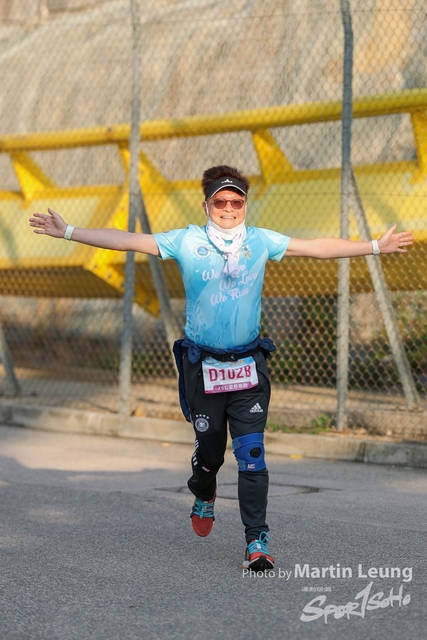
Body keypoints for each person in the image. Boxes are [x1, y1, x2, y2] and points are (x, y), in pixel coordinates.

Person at [29, 164, 414, 571]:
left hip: (248, 365)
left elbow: (317, 247)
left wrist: (375, 246)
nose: (229, 208)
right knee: (211, 454)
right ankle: (204, 490)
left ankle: (256, 541)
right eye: (220, 202)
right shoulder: (187, 241)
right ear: (206, 205)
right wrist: (69, 232)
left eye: (236, 202)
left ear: (245, 205)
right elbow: (126, 240)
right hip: (204, 367)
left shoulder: (260, 241)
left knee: (252, 454)